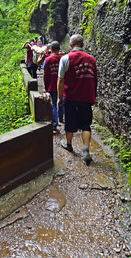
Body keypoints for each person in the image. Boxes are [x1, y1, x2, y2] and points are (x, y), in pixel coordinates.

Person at [57, 34, 97, 165]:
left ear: (71, 45)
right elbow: (94, 79)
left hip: (71, 96)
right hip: (86, 96)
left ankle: (68, 144)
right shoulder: (92, 59)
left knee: (70, 122)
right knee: (86, 124)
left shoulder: (65, 58)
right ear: (83, 45)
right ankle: (86, 151)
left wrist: (59, 97)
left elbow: (61, 79)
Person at [43, 41, 63, 133]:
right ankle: (61, 118)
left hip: (52, 85)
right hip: (63, 84)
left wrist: (45, 85)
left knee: (54, 104)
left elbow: (44, 73)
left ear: (50, 49)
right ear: (59, 49)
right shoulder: (63, 58)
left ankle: (55, 124)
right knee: (62, 101)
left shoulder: (47, 60)